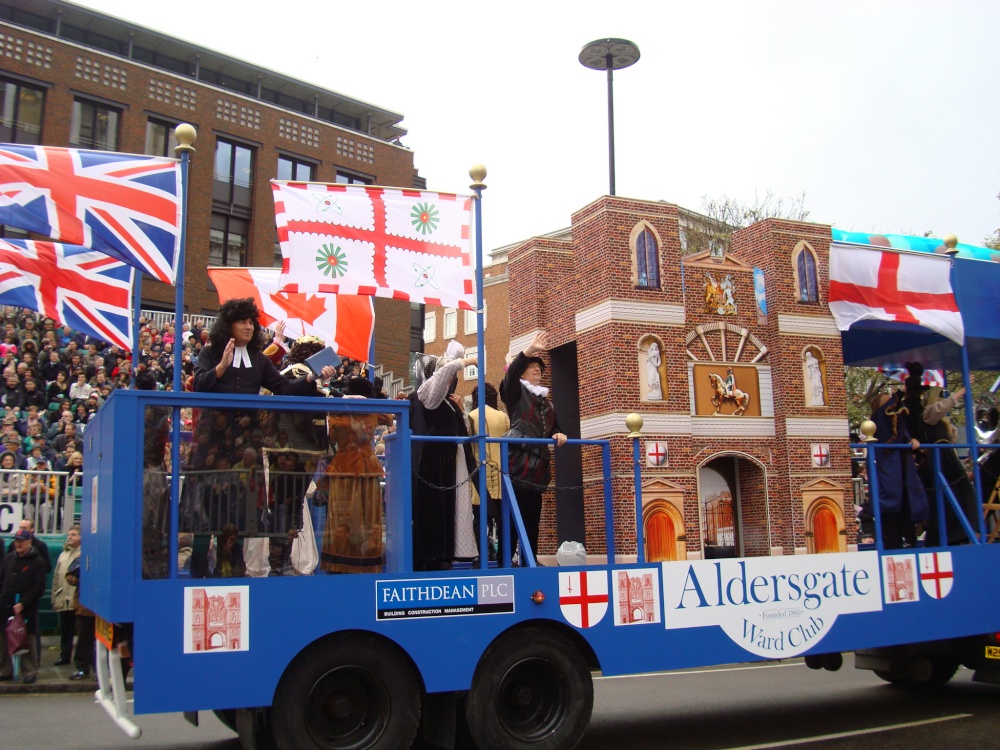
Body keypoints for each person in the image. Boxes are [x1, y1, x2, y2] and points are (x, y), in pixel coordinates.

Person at [410, 341, 478, 570]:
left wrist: (461, 411)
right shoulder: (428, 395)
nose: (450, 381)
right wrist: (466, 361)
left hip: (450, 458)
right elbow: (445, 371)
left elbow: (464, 430)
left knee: (449, 508)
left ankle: (446, 553)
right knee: (435, 507)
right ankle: (432, 555)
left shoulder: (448, 402)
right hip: (435, 458)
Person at [501, 332, 567, 562]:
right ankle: (505, 559)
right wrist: (529, 350)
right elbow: (510, 376)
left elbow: (554, 426)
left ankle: (530, 558)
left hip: (538, 469)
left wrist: (558, 433)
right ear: (521, 373)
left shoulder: (547, 403)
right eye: (531, 366)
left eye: (539, 367)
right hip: (518, 463)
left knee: (532, 517)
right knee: (512, 515)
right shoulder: (515, 392)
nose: (537, 369)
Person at [193, 298, 334, 396]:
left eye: (251, 323)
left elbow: (284, 388)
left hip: (248, 428)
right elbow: (198, 385)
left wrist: (311, 377)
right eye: (242, 322)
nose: (248, 327)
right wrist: (222, 366)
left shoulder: (259, 359)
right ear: (228, 325)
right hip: (213, 426)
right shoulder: (210, 352)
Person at [321, 377, 388, 574]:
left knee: (341, 517)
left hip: (344, 466)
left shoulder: (338, 414)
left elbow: (331, 435)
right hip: (368, 467)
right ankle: (365, 561)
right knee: (368, 517)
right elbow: (389, 417)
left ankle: (339, 563)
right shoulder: (373, 413)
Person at [869, 390, 929, 549]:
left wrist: (912, 440)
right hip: (888, 474)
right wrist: (901, 391)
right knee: (891, 515)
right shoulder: (877, 419)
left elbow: (905, 437)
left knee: (907, 509)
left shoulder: (898, 421)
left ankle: (911, 541)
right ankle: (892, 548)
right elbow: (887, 433)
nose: (892, 404)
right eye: (887, 402)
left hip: (904, 472)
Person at [468, 383, 510, 560]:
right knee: (503, 518)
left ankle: (482, 555)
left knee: (479, 517)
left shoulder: (471, 416)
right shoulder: (503, 417)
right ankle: (503, 556)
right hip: (501, 474)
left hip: (479, 474)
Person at [0, 528, 46, 683]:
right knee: (3, 638)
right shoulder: (8, 559)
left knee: (27, 638)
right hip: (5, 606)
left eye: (21, 541)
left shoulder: (38, 562)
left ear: (29, 542)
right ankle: (5, 670)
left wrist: (24, 602)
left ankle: (29, 671)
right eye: (16, 541)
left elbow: (39, 588)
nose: (18, 544)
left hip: (26, 607)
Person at [52, 525, 81, 666]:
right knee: (65, 630)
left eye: (73, 534)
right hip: (63, 597)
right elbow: (56, 578)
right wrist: (54, 598)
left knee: (81, 632)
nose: (69, 537)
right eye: (69, 534)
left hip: (77, 600)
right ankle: (64, 656)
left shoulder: (84, 554)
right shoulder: (63, 555)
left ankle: (82, 660)